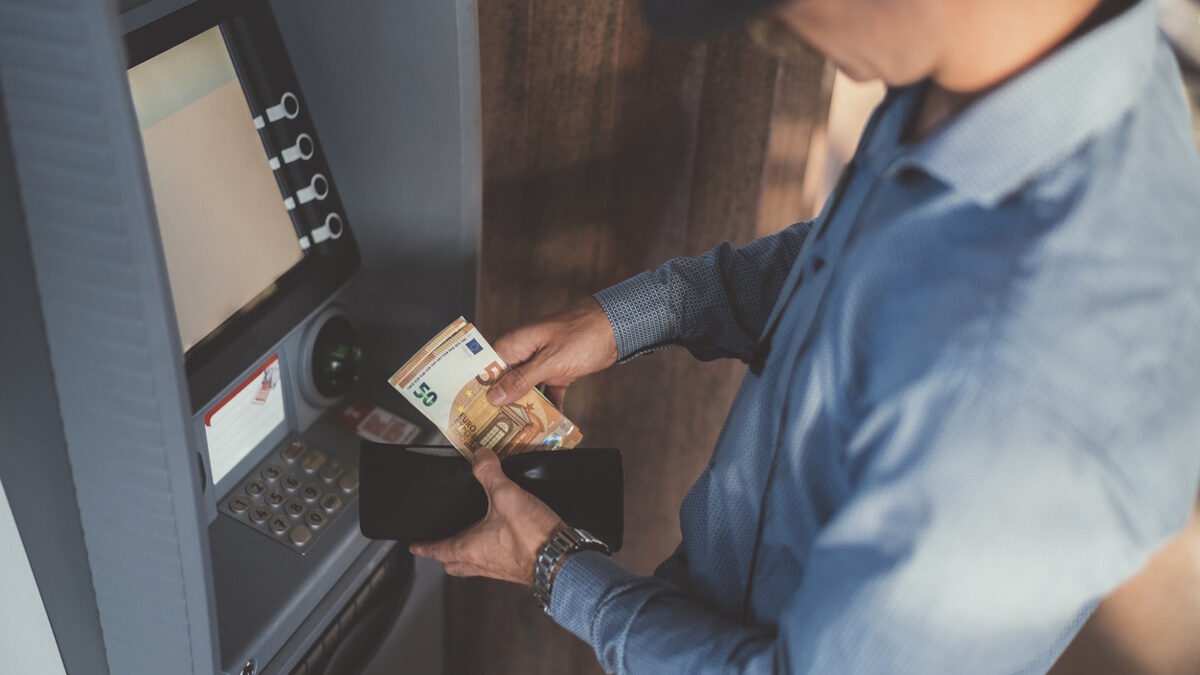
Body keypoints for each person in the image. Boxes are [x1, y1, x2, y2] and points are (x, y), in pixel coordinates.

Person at [410, 0, 1200, 671]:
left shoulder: (1031, 388)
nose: (771, 37)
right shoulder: (1010, 72)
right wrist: (637, 314)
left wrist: (555, 567)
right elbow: (855, 264)